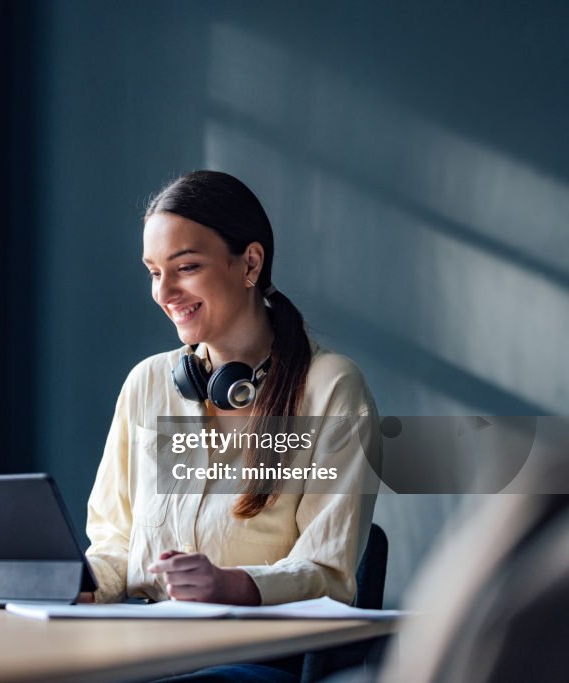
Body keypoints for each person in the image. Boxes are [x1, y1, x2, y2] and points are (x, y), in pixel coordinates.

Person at [81, 171, 380, 681]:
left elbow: (329, 574)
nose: (165, 292)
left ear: (251, 263)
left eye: (186, 267)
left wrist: (232, 585)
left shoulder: (332, 388)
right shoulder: (148, 383)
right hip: (141, 645)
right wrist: (78, 583)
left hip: (250, 657)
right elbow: (113, 543)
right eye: (154, 272)